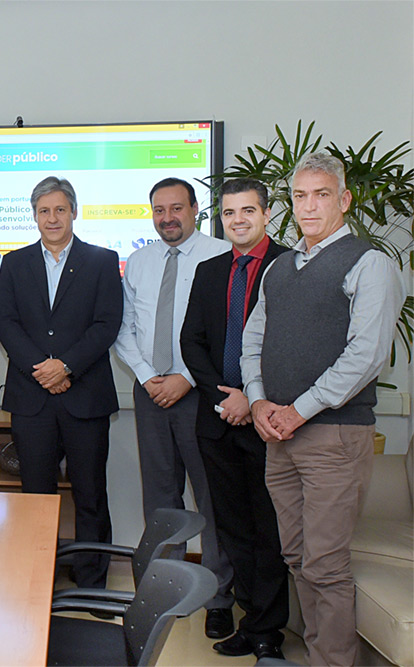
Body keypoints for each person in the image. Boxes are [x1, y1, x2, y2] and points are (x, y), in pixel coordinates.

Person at [242, 152, 405, 666]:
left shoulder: (369, 263)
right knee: (297, 558)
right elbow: (253, 340)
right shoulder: (281, 266)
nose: (308, 206)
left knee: (325, 565)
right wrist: (259, 400)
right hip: (279, 435)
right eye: (299, 196)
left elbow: (367, 355)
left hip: (333, 435)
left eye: (321, 194)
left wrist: (299, 409)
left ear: (344, 199)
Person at [114, 177, 236, 638]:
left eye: (176, 208)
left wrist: (185, 377)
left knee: (211, 500)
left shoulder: (219, 258)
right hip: (151, 395)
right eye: (158, 209)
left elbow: (223, 331)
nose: (167, 217)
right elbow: (126, 328)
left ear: (195, 209)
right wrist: (148, 376)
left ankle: (219, 597)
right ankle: (166, 591)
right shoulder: (140, 261)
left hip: (202, 397)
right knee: (161, 501)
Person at [180, 179, 290, 659]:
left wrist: (253, 396)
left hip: (269, 422)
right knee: (233, 532)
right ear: (219, 218)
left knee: (269, 532)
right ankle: (250, 620)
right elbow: (192, 342)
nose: (238, 220)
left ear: (266, 214)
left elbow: (291, 348)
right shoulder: (209, 271)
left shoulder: (288, 267)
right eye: (229, 212)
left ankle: (269, 632)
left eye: (248, 210)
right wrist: (225, 399)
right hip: (217, 420)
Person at [0, 176, 122, 587]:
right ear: (34, 215)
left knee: (89, 494)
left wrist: (66, 366)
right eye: (44, 211)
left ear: (74, 212)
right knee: (36, 496)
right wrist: (43, 369)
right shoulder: (14, 263)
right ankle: (38, 579)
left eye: (60, 209)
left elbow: (107, 324)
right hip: (32, 399)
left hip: (85, 396)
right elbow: (7, 324)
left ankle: (91, 582)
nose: (52, 218)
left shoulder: (103, 261)